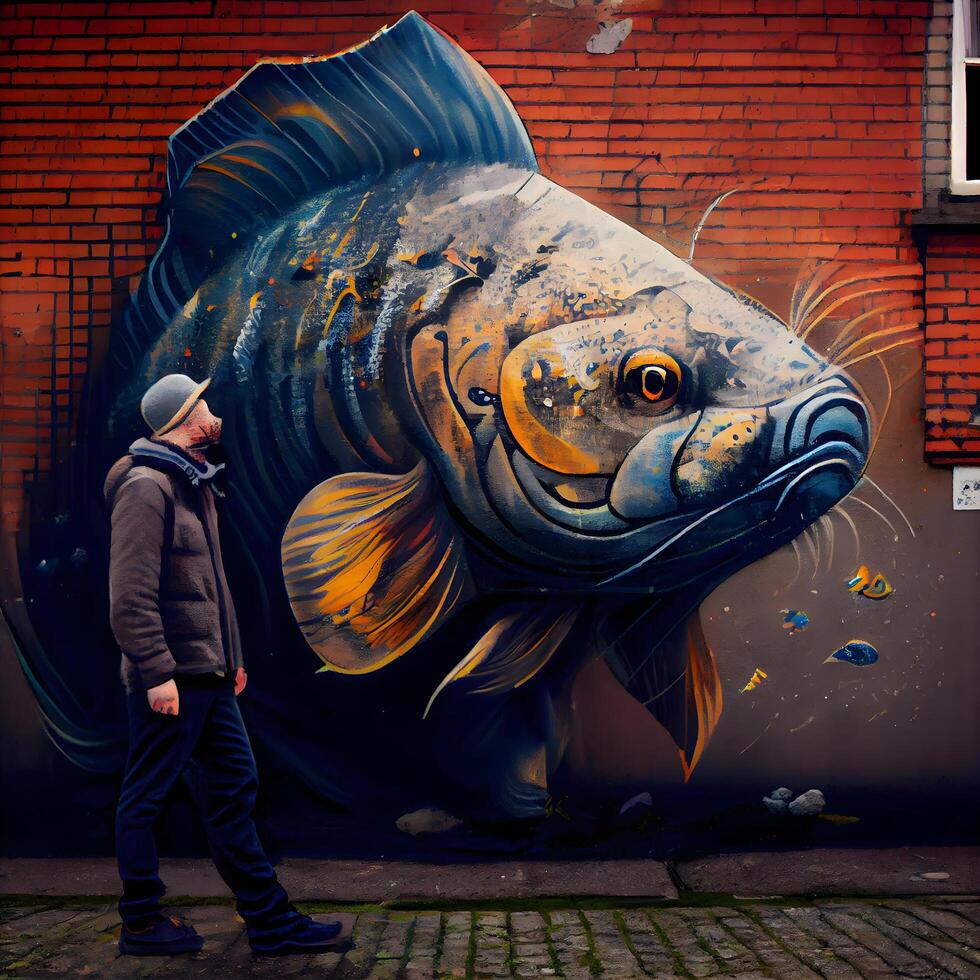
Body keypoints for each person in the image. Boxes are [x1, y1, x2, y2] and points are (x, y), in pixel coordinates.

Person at [105, 373, 343, 957]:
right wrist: (158, 673)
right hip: (173, 680)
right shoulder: (146, 487)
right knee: (146, 796)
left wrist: (230, 659)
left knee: (235, 783)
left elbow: (213, 588)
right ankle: (140, 921)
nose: (215, 413)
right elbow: (129, 596)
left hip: (207, 676)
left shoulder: (192, 484)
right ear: (187, 416)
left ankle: (268, 920)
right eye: (204, 404)